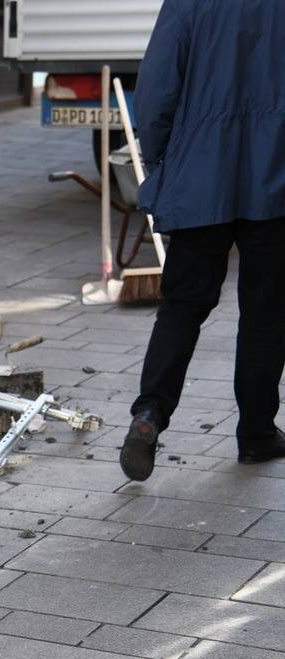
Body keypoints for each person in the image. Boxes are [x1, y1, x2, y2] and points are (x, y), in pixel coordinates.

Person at [120, 0, 285, 482]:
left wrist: (158, 161)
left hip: (200, 175)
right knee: (266, 314)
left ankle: (149, 414)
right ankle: (256, 432)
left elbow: (155, 91)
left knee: (183, 306)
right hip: (274, 176)